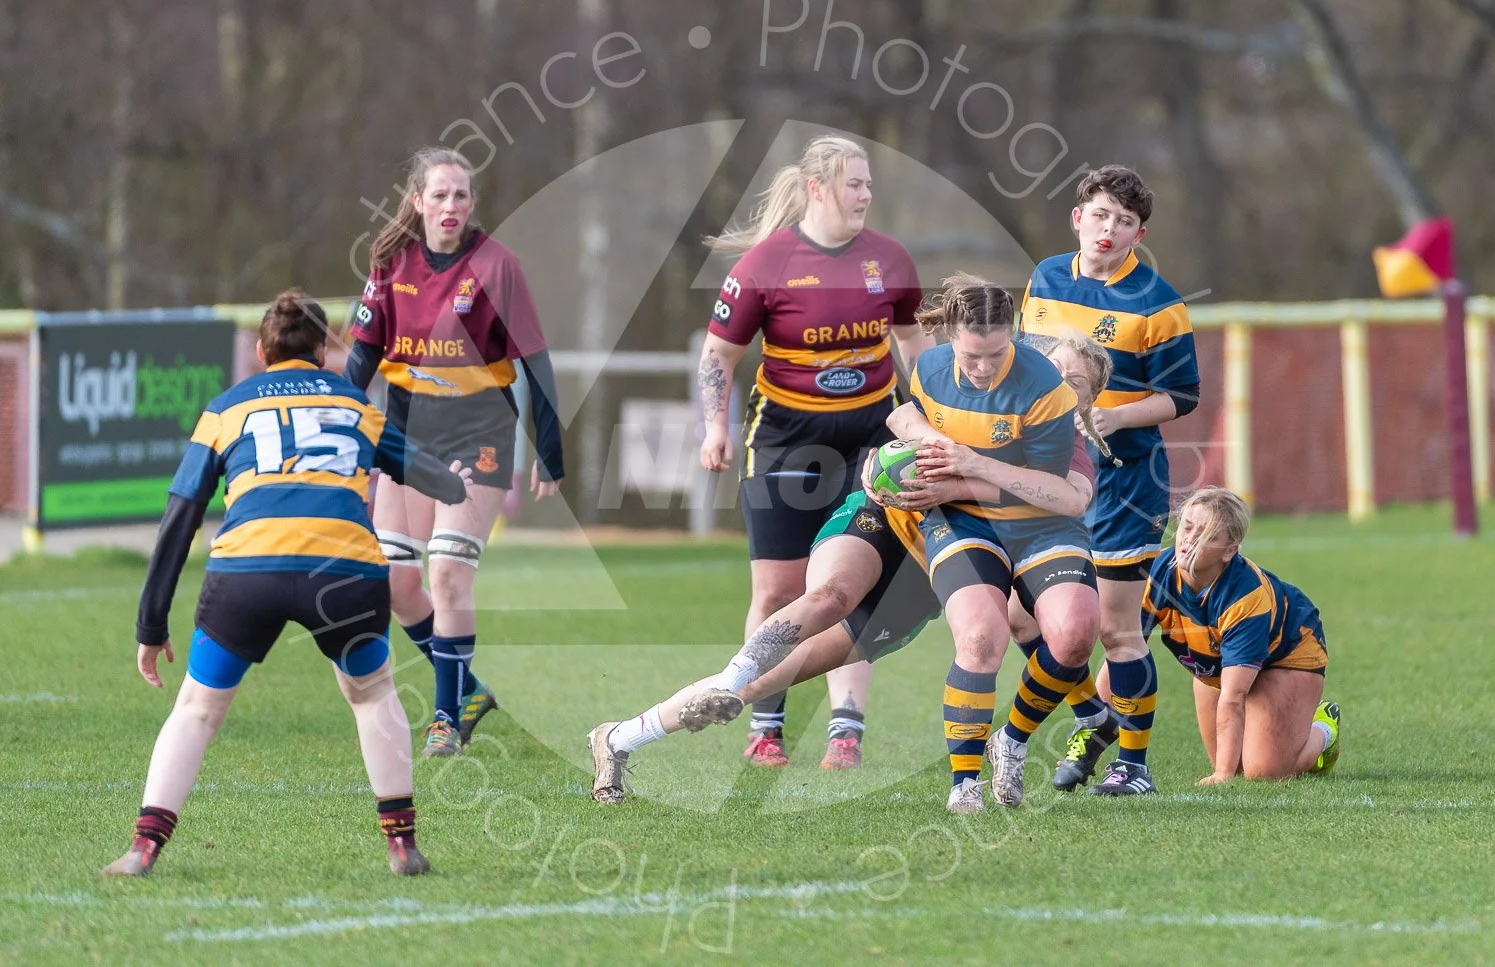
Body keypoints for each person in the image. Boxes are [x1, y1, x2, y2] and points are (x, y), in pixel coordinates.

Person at [103, 291, 474, 878]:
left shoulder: (226, 408)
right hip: (344, 572)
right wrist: (452, 486)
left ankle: (143, 848)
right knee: (373, 694)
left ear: (260, 352)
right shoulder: (356, 404)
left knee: (198, 710)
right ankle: (402, 845)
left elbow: (181, 515)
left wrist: (151, 623)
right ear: (325, 352)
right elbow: (425, 472)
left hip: (248, 571)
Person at [585, 408, 1094, 805]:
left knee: (762, 685)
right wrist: (881, 464)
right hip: (886, 521)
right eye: (1061, 377)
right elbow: (902, 427)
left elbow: (1038, 547)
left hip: (923, 580)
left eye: (1080, 387)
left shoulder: (1061, 459)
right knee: (829, 597)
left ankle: (620, 737)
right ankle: (731, 675)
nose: (1068, 393)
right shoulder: (980, 403)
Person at [698, 133, 932, 770]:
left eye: (869, 184)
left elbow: (913, 345)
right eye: (855, 183)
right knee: (777, 591)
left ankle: (845, 729)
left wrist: (935, 415)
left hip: (872, 444)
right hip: (784, 442)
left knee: (845, 586)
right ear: (818, 187)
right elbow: (719, 355)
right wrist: (714, 426)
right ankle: (766, 725)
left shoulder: (889, 260)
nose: (866, 195)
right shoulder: (764, 266)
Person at [346, 146, 565, 757]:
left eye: (461, 196)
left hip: (480, 435)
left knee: (445, 574)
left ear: (472, 204)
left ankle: (446, 718)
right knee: (393, 581)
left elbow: (535, 360)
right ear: (417, 201)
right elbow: (363, 352)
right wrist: (339, 420)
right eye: (439, 195)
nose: (451, 206)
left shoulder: (497, 267)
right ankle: (467, 687)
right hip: (407, 435)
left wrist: (550, 447)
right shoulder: (391, 261)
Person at [884, 274, 1104, 811]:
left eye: (995, 354)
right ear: (952, 340)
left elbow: (1050, 493)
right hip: (962, 520)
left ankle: (1012, 738)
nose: (982, 368)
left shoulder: (1044, 390)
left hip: (1038, 521)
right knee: (981, 638)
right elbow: (902, 414)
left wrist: (969, 465)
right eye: (971, 356)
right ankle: (964, 785)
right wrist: (922, 447)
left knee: (1075, 635)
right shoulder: (930, 368)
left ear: (1013, 336)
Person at [1016, 165, 1200, 796]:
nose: (1109, 229)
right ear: (1078, 217)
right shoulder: (1043, 278)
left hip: (1124, 480)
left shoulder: (1158, 303)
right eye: (1100, 214)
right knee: (1021, 619)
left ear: (1138, 233)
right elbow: (1027, 364)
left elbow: (1183, 395)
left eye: (1124, 221)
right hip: (1049, 473)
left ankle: (1133, 766)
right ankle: (1092, 718)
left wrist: (1113, 416)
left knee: (1117, 629)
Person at [1146, 486, 1341, 782]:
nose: (1188, 540)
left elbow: (1233, 697)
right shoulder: (1157, 572)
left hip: (1287, 651)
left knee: (1263, 773)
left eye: (1207, 535)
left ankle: (1323, 729)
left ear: (1229, 550)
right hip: (1216, 663)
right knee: (1234, 764)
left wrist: (1221, 775)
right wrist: (1089, 735)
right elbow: (1122, 652)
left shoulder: (1246, 595)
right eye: (1187, 527)